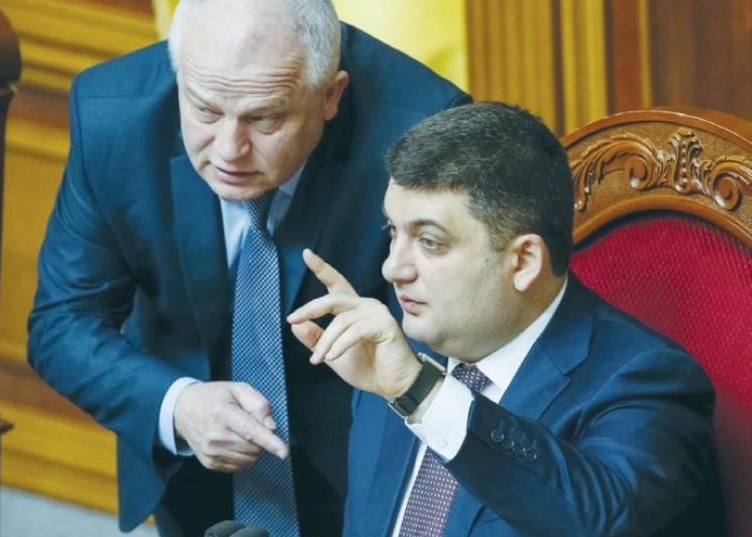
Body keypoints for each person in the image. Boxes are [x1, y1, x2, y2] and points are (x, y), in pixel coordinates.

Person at [26, 0, 469, 535]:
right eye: (206, 111)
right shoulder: (112, 114)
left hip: (369, 462)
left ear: (332, 94)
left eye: (265, 118)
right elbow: (63, 322)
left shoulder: (425, 128)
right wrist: (178, 406)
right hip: (193, 461)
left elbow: (457, 342)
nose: (230, 150)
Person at [288, 102, 725, 537]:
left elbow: (598, 522)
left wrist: (419, 392)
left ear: (523, 261)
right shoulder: (400, 356)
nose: (392, 268)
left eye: (430, 241)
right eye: (392, 232)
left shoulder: (646, 380)